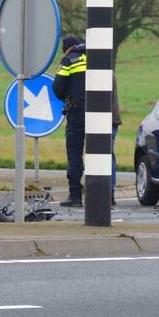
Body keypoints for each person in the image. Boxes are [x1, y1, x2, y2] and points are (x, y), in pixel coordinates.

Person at [53, 35, 87, 207]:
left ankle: (75, 196)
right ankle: (105, 196)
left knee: (74, 153)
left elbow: (57, 87)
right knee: (102, 154)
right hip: (100, 113)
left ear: (67, 49)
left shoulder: (69, 60)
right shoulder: (98, 57)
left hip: (77, 112)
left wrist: (67, 97)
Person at [111, 72, 122, 206]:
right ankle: (109, 192)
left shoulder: (100, 70)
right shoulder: (109, 71)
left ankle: (107, 191)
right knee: (109, 156)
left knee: (106, 156)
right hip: (112, 119)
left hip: (105, 120)